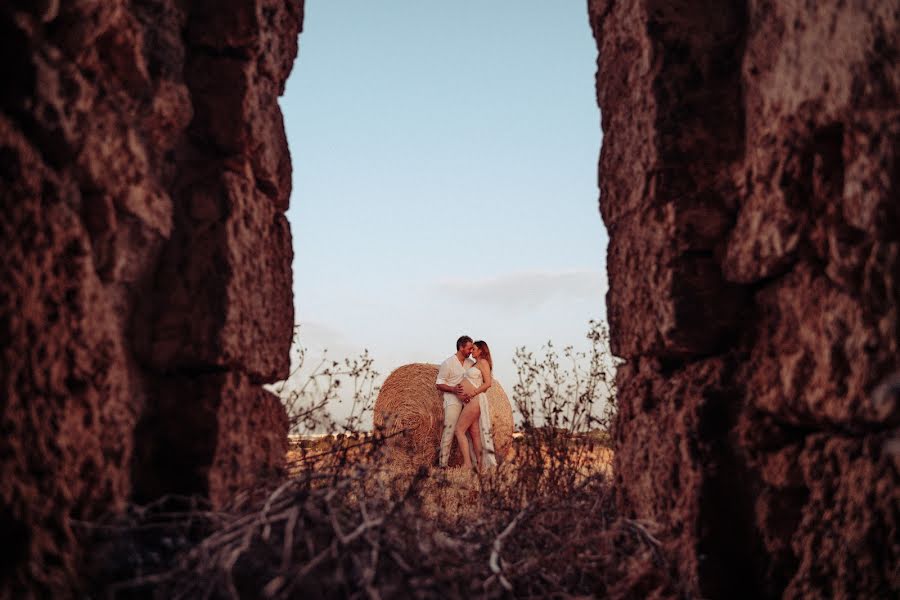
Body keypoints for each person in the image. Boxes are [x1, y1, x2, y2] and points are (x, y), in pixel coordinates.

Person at [454, 340, 498, 471]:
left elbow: (488, 383)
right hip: (471, 400)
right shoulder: (475, 364)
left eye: (474, 349)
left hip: (475, 400)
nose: (472, 351)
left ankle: (467, 464)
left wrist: (473, 393)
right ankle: (480, 465)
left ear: (481, 350)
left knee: (459, 430)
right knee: (475, 433)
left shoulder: (483, 362)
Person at [435, 336, 475, 467]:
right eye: (469, 348)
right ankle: (443, 464)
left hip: (468, 401)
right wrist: (453, 389)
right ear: (461, 347)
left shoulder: (470, 363)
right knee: (449, 430)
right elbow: (439, 384)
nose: (471, 350)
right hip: (452, 400)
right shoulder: (448, 363)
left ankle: (471, 463)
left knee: (471, 431)